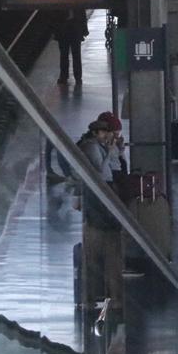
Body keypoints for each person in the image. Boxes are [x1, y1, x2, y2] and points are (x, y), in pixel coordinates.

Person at [77, 117, 125, 312]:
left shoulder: (99, 146)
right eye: (104, 132)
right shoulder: (91, 147)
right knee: (100, 253)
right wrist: (110, 152)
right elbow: (99, 168)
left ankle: (108, 296)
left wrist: (116, 152)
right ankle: (97, 297)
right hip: (98, 193)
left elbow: (115, 166)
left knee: (103, 252)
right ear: (96, 133)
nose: (107, 136)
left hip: (104, 191)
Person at [53, 8, 88, 85]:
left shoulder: (61, 1)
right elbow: (82, 14)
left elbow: (55, 16)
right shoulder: (77, 1)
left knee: (65, 55)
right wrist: (84, 30)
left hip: (66, 30)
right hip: (72, 30)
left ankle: (65, 76)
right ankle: (76, 77)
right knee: (74, 55)